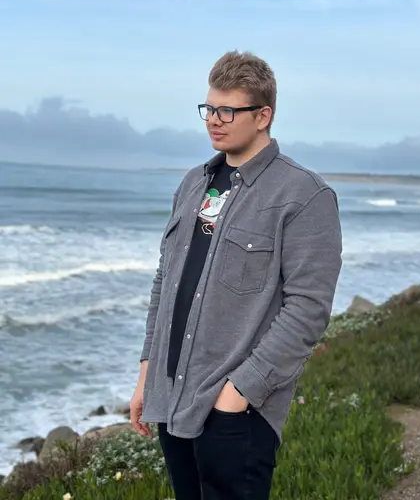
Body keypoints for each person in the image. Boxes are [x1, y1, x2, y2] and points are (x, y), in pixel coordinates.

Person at [130, 51, 342, 500]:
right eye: (209, 108)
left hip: (236, 412)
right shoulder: (193, 183)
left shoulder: (304, 195)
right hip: (172, 397)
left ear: (263, 116)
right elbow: (165, 282)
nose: (214, 120)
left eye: (228, 111)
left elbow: (308, 309)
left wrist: (239, 392)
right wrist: (147, 372)